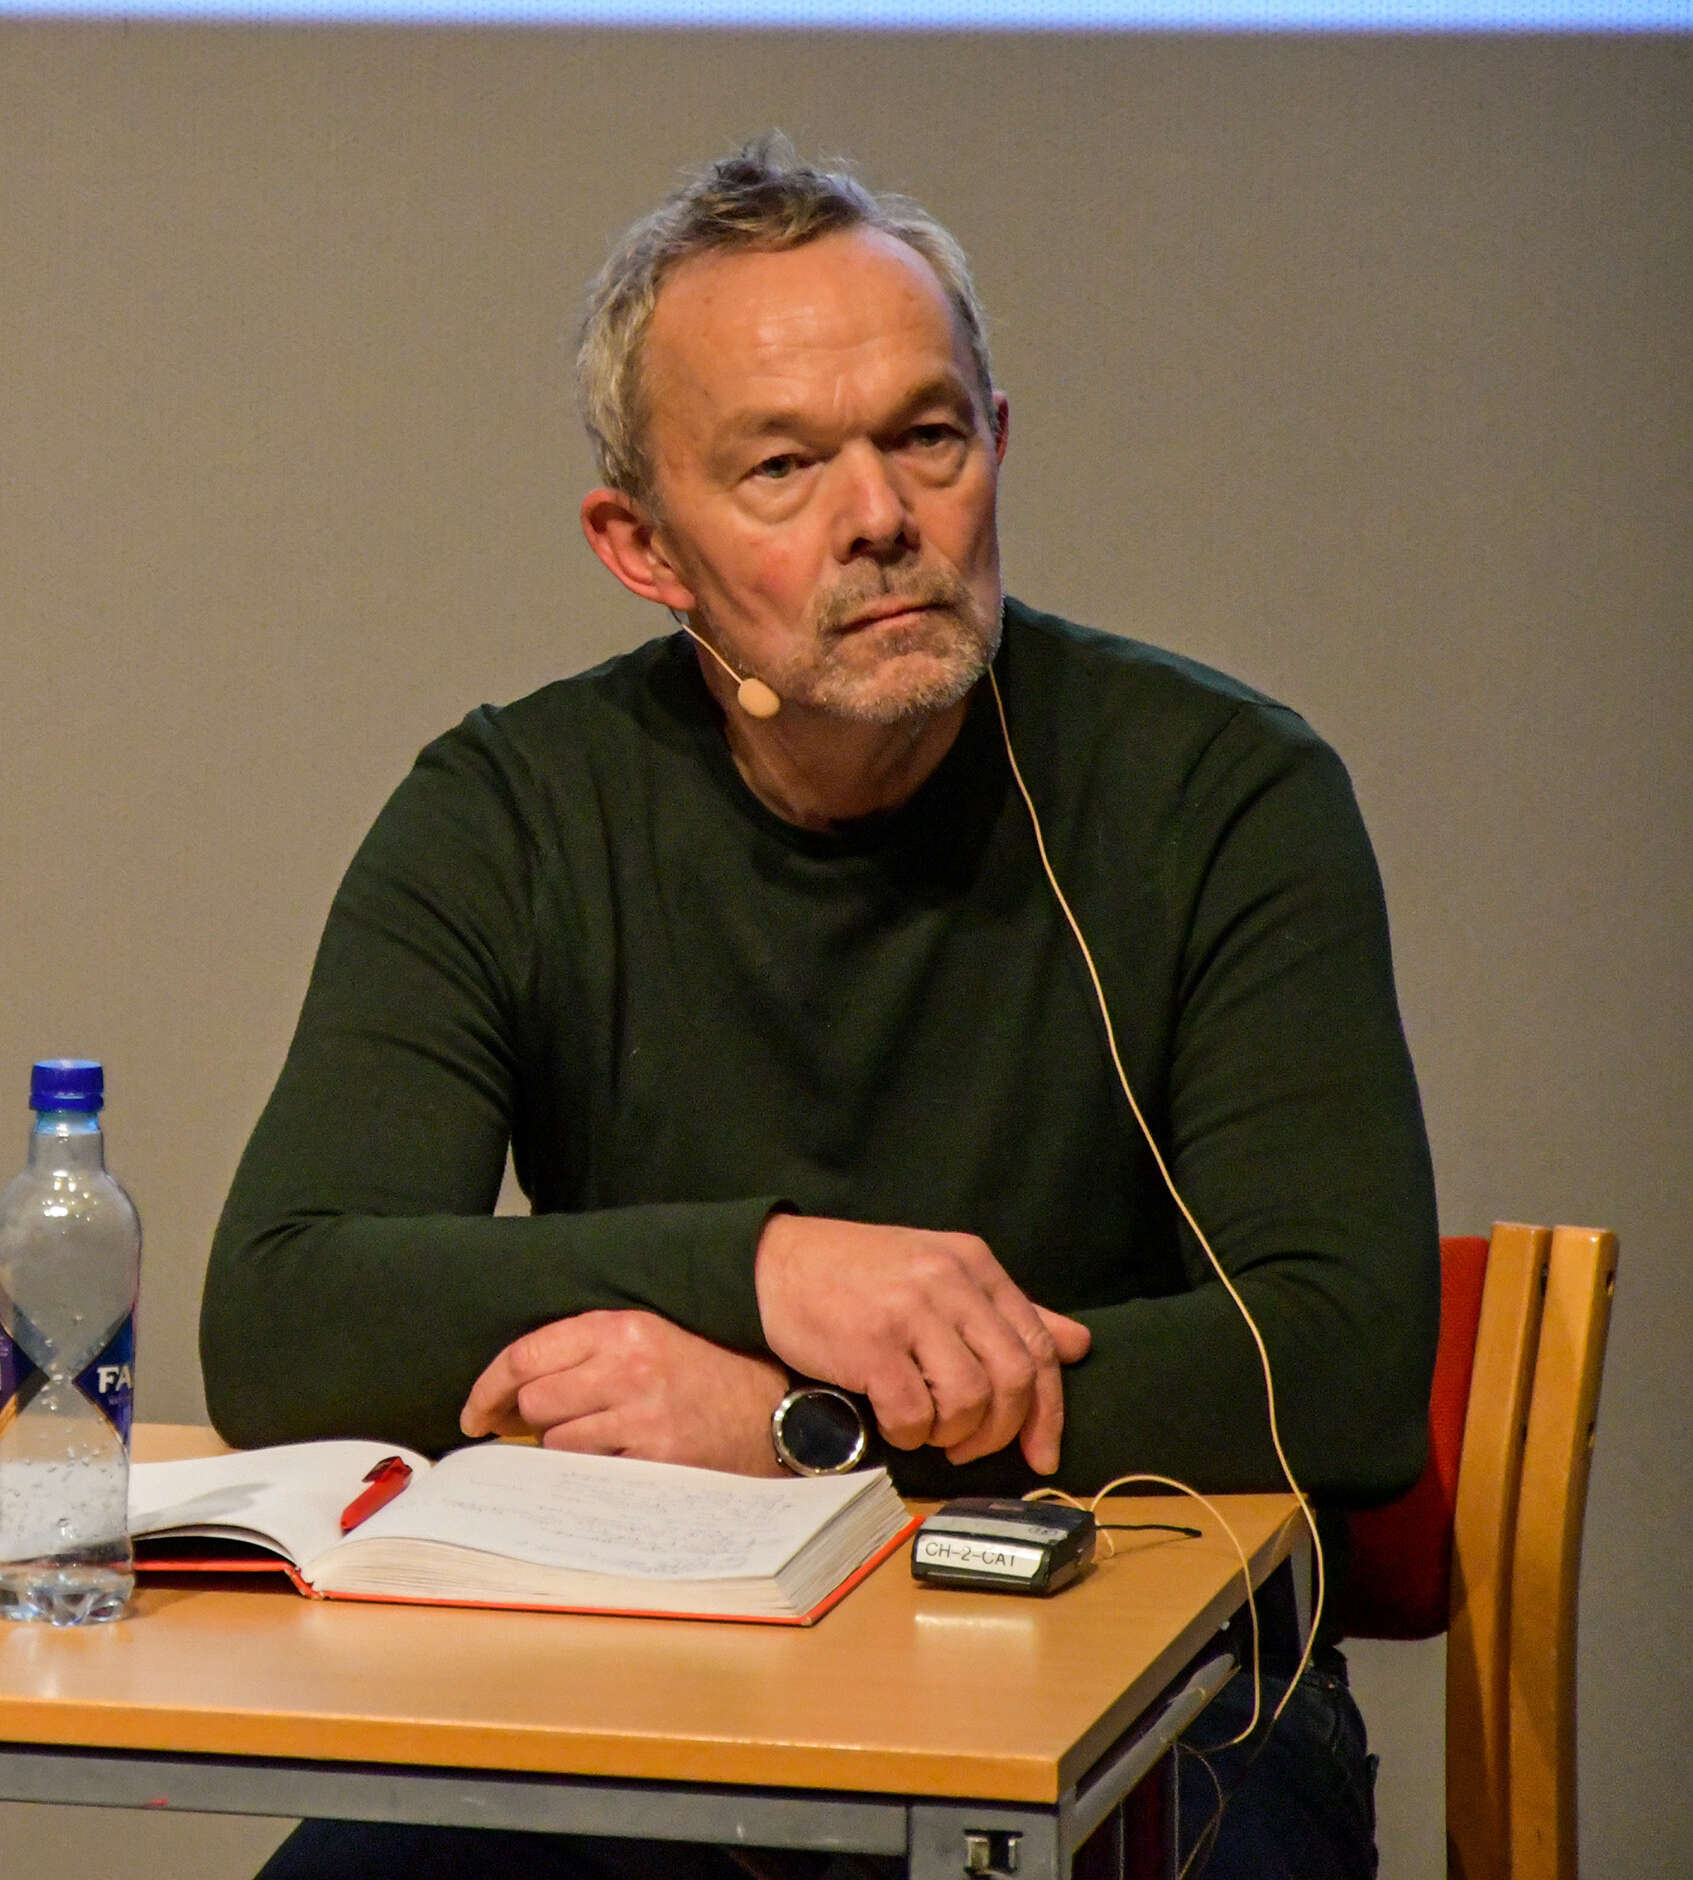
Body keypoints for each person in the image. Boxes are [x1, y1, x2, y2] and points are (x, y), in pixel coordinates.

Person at [203, 135, 1428, 1880]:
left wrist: (800, 1430)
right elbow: (280, 1315)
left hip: (1149, 1691)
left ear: (994, 443)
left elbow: (1340, 1366)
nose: (881, 519)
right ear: (640, 546)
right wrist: (769, 1268)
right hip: (649, 1696)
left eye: (925, 439)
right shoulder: (510, 812)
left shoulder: (1221, 791)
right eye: (782, 467)